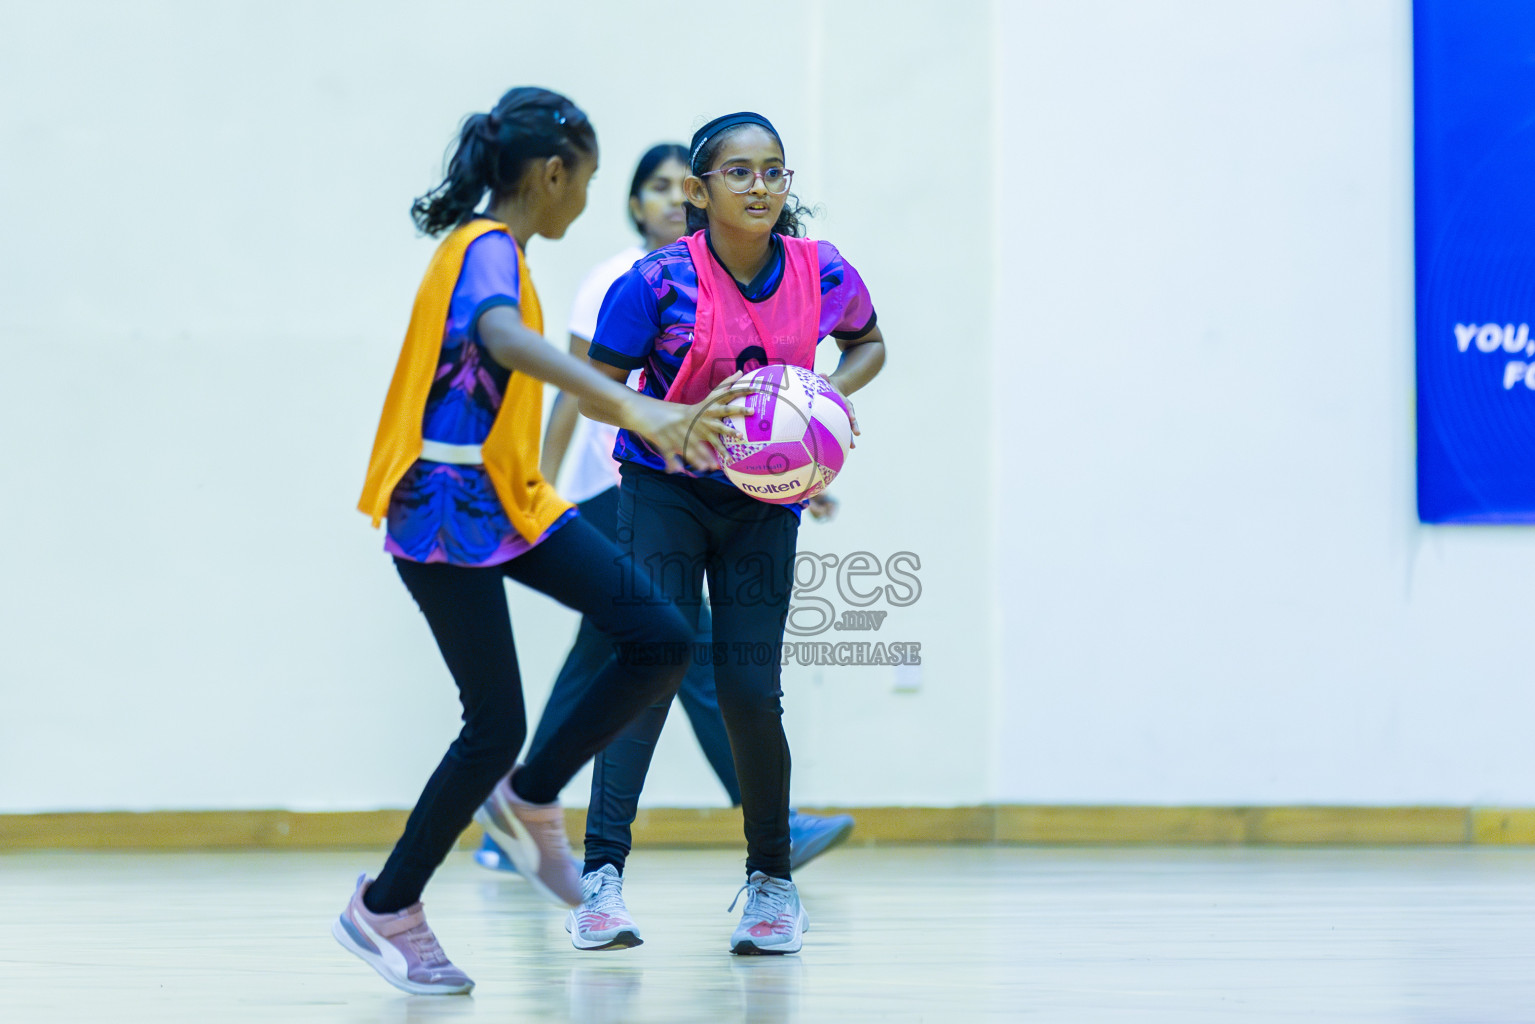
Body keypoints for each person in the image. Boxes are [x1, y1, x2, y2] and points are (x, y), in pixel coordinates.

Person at [332, 87, 744, 996]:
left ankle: (528, 798)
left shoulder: (501, 252)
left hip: (508, 501)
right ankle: (386, 907)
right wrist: (636, 405)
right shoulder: (485, 248)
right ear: (552, 174)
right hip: (442, 511)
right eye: (585, 181)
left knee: (660, 636)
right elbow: (500, 336)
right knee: (493, 728)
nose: (586, 200)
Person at [474, 145, 856, 910]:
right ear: (654, 200)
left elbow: (763, 404)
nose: (669, 202)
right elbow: (574, 389)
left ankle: (518, 810)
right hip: (617, 488)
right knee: (670, 654)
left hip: (716, 487)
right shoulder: (624, 279)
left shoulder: (782, 275)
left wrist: (798, 457)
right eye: (654, 186)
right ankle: (546, 816)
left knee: (625, 659)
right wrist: (538, 487)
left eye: (769, 172)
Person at [574, 112, 886, 956]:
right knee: (646, 672)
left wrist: (823, 401)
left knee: (750, 689)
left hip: (761, 502)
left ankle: (772, 885)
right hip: (662, 491)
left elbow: (867, 344)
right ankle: (600, 880)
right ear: (699, 190)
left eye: (773, 170)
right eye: (739, 172)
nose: (759, 185)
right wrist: (665, 419)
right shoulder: (655, 281)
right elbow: (594, 386)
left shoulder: (822, 270)